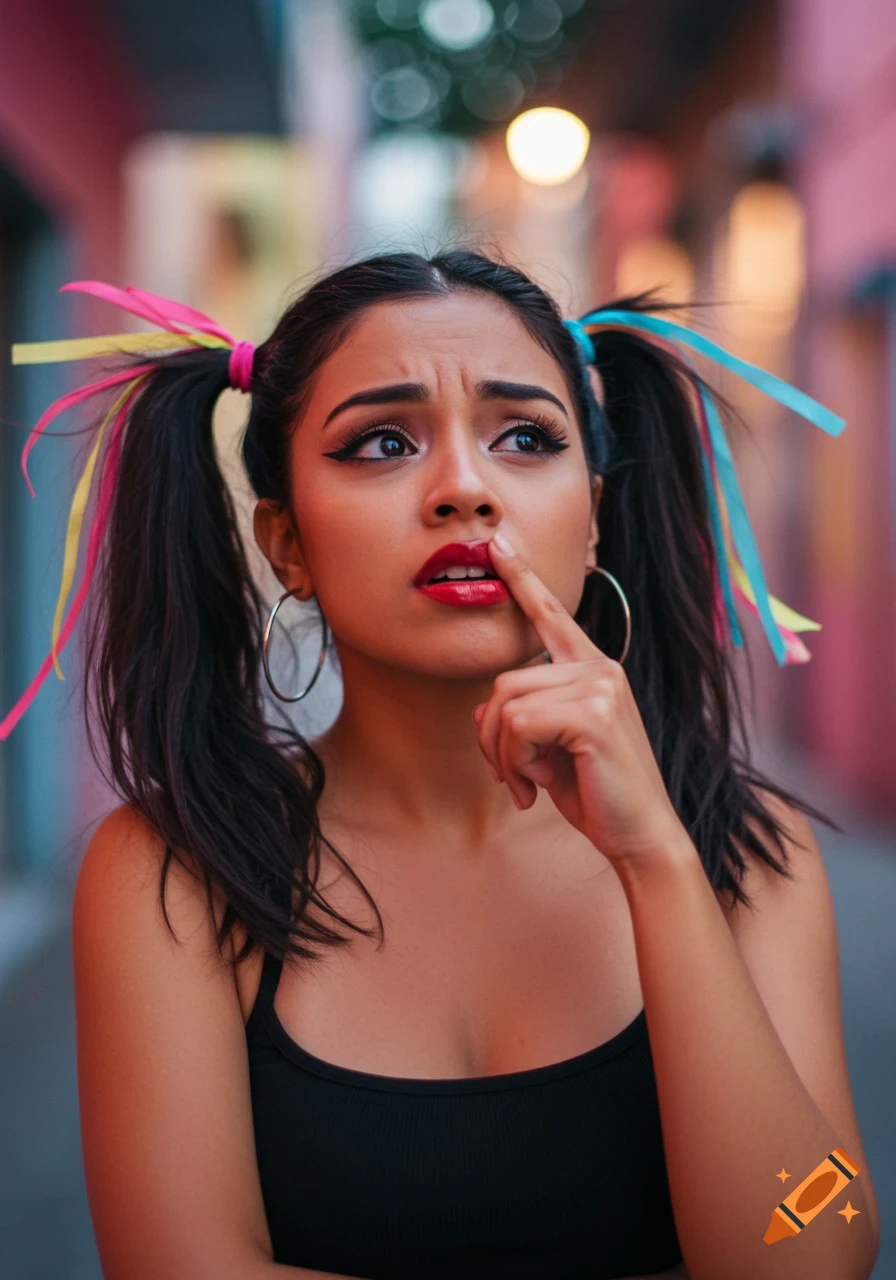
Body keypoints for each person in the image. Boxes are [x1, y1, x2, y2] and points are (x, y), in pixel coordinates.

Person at [5, 249, 879, 1279]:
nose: (463, 487)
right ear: (284, 540)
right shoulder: (176, 872)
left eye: (524, 437)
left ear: (590, 510)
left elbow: (805, 1244)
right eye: (380, 441)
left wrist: (656, 863)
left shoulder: (744, 854)